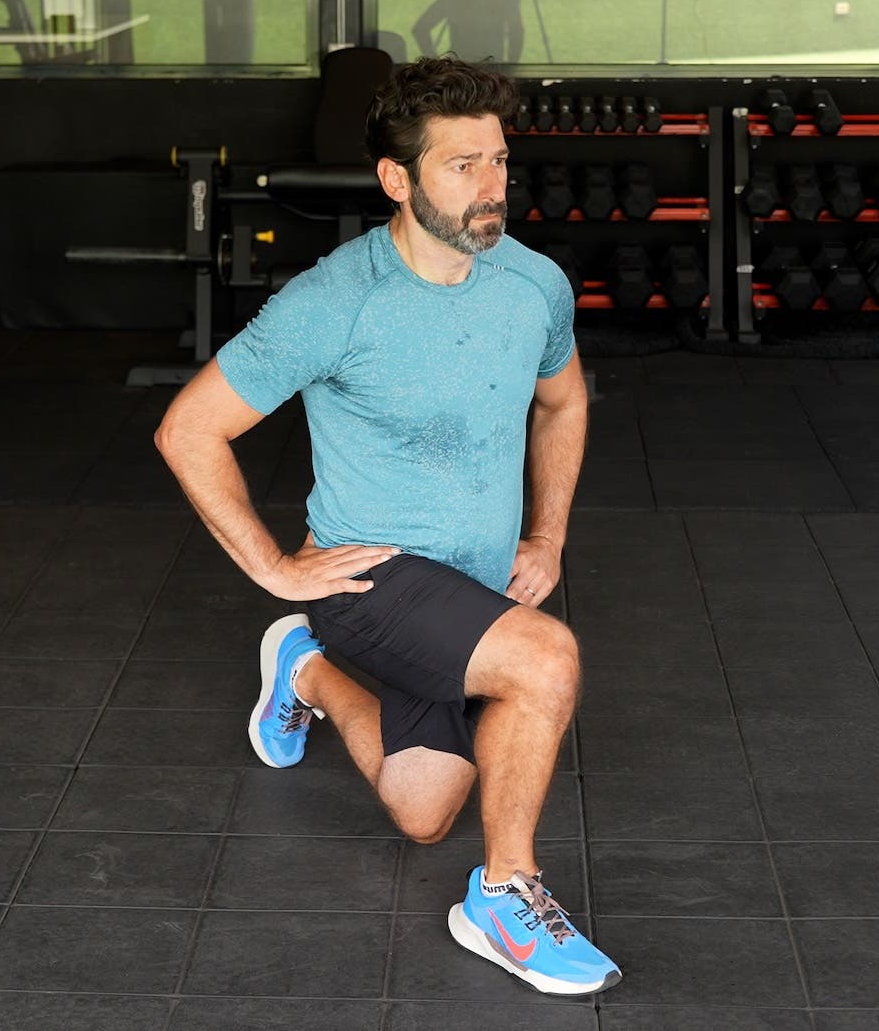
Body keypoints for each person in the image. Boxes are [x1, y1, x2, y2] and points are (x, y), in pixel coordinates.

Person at [154, 55, 614, 996]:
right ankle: (506, 896)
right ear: (397, 180)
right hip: (371, 579)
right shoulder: (333, 302)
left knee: (424, 812)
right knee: (546, 661)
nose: (490, 189)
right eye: (461, 166)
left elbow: (563, 405)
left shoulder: (533, 286)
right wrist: (276, 568)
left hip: (474, 586)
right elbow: (188, 428)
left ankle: (303, 669)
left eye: (497, 161)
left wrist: (548, 537)